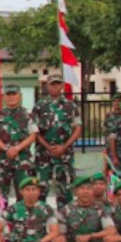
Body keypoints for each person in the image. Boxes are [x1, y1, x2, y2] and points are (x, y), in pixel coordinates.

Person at [32, 75, 82, 207]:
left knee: (65, 188)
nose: (55, 87)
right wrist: (48, 147)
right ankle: (41, 218)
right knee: (41, 187)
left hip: (64, 153)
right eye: (52, 84)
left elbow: (77, 129)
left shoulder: (70, 106)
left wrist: (64, 147)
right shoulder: (39, 106)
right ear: (47, 86)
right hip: (44, 154)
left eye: (58, 84)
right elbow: (34, 131)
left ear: (62, 86)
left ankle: (65, 220)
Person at [0, 84, 37, 204]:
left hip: (22, 160)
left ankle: (21, 221)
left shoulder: (27, 115)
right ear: (4, 97)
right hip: (3, 160)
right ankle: (2, 220)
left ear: (20, 96)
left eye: (14, 94)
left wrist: (17, 148)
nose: (11, 97)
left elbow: (33, 135)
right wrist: (6, 148)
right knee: (0, 195)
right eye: (8, 94)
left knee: (24, 193)